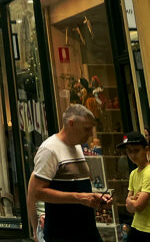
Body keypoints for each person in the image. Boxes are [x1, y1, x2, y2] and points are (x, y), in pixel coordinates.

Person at [27, 104, 109, 242]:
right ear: (71, 123)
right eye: (87, 129)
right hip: (63, 233)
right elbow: (37, 192)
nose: (90, 134)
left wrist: (96, 198)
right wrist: (79, 198)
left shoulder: (77, 146)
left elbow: (77, 186)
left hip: (86, 230)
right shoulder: (49, 149)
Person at [119, 131, 150, 241]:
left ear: (146, 149)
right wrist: (131, 201)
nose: (133, 155)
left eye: (137, 150)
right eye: (129, 151)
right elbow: (128, 207)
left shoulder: (148, 172)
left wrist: (130, 201)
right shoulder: (133, 173)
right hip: (136, 225)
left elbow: (138, 206)